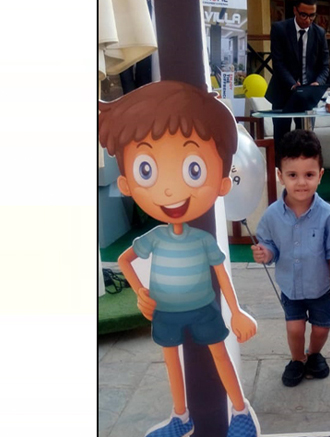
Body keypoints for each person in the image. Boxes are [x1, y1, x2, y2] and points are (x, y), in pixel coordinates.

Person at [99, 81, 260, 437]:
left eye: (193, 169)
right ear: (126, 184)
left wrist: (236, 311)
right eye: (146, 170)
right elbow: (124, 261)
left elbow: (221, 271)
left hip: (203, 308)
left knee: (219, 353)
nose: (170, 189)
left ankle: (240, 412)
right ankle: (180, 415)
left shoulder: (202, 240)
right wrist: (140, 292)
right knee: (171, 360)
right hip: (166, 310)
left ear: (222, 183)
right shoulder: (155, 238)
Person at [251, 130, 330, 387]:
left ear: (320, 175)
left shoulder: (329, 216)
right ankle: (297, 359)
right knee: (294, 328)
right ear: (280, 176)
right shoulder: (272, 215)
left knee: (321, 328)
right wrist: (266, 253)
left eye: (309, 175)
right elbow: (270, 245)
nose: (301, 183)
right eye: (292, 175)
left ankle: (314, 354)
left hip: (322, 288)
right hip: (291, 287)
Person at [264, 0, 330, 151]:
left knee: (305, 141)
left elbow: (325, 66)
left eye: (312, 15)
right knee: (282, 141)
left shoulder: (319, 33)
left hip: (307, 96)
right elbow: (278, 63)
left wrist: (318, 83)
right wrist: (293, 84)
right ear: (295, 11)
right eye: (304, 15)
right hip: (283, 93)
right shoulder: (280, 29)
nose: (308, 20)